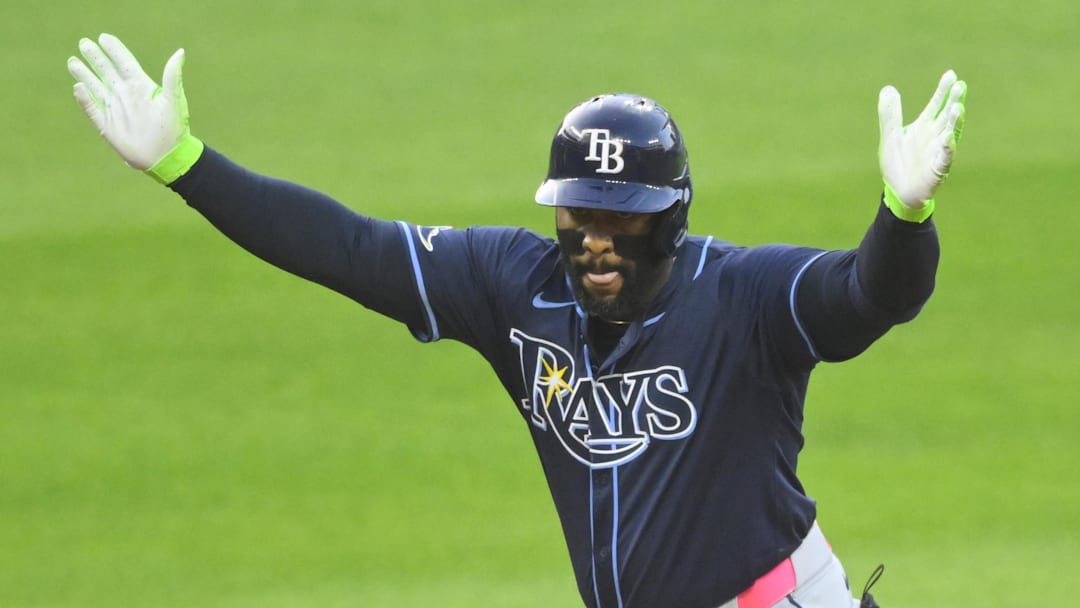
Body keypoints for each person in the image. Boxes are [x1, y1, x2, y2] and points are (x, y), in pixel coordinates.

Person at [66, 33, 966, 608]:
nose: (598, 243)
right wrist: (185, 163)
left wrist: (904, 216)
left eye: (626, 220)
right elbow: (352, 248)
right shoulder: (513, 284)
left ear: (674, 217)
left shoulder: (747, 299)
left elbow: (867, 299)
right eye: (580, 217)